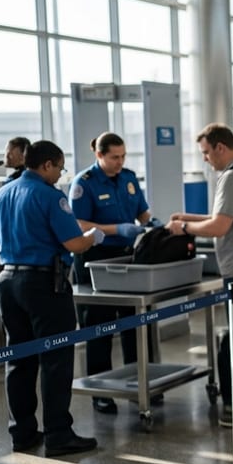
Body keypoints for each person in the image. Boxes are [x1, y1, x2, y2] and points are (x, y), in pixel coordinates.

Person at [0, 140, 104, 457]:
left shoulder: (0, 195)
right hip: (43, 283)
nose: (60, 174)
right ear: (47, 165)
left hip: (7, 280)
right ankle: (58, 434)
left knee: (19, 357)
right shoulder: (50, 197)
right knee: (56, 359)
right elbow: (74, 245)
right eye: (59, 168)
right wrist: (94, 236)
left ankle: (22, 433)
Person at [167, 123, 233, 427]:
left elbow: (219, 227)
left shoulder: (232, 177)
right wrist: (188, 217)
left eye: (206, 152)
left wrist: (183, 228)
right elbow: (226, 219)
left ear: (220, 147)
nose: (205, 159)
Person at [69, 132, 151, 415]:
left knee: (133, 323)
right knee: (99, 327)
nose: (120, 161)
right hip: (95, 258)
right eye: (114, 157)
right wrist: (116, 229)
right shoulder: (84, 184)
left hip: (128, 258)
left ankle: (138, 383)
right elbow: (77, 224)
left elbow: (142, 212)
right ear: (99, 156)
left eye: (123, 156)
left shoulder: (128, 178)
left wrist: (153, 224)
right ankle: (101, 391)